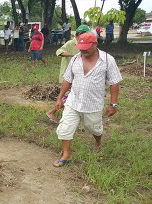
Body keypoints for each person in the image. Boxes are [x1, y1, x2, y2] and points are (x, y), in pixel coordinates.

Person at [53, 32, 122, 167]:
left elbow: (114, 83)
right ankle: (66, 154)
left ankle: (98, 141)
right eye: (81, 47)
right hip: (73, 101)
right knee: (65, 128)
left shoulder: (107, 60)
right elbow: (68, 79)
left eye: (86, 47)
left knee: (94, 128)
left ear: (95, 44)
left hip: (93, 104)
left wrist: (113, 104)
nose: (82, 50)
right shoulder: (75, 59)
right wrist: (60, 98)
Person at [46, 25, 91, 123]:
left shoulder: (85, 46)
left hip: (77, 77)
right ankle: (53, 113)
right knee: (69, 98)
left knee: (71, 97)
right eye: (84, 35)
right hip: (67, 77)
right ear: (78, 35)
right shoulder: (71, 43)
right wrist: (73, 55)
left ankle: (65, 116)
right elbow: (59, 51)